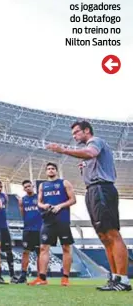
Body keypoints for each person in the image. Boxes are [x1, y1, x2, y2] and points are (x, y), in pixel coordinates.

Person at [47, 120, 130, 292]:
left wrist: (63, 150)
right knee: (103, 236)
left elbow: (91, 153)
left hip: (102, 189)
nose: (75, 136)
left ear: (86, 131)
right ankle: (115, 278)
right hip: (93, 190)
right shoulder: (91, 151)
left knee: (112, 233)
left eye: (77, 132)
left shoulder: (95, 141)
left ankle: (123, 279)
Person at [28, 162, 76, 287]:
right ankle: (42, 278)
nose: (50, 170)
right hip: (48, 221)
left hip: (63, 219)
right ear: (46, 171)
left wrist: (60, 206)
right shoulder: (42, 186)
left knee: (66, 247)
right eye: (48, 169)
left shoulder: (64, 183)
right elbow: (39, 202)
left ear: (56, 171)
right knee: (43, 248)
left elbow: (73, 199)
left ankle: (65, 278)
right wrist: (45, 206)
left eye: (53, 169)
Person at [15, 180, 42, 284]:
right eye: (25, 187)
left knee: (40, 253)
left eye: (29, 186)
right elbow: (23, 215)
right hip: (27, 229)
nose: (27, 188)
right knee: (25, 252)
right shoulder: (22, 200)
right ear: (23, 189)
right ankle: (23, 275)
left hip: (39, 229)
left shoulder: (39, 197)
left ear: (32, 186)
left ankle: (41, 276)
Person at [0, 180, 16, 283]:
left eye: (1, 187)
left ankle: (12, 275)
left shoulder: (4, 196)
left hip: (4, 226)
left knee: (9, 251)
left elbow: (4, 209)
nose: (0, 188)